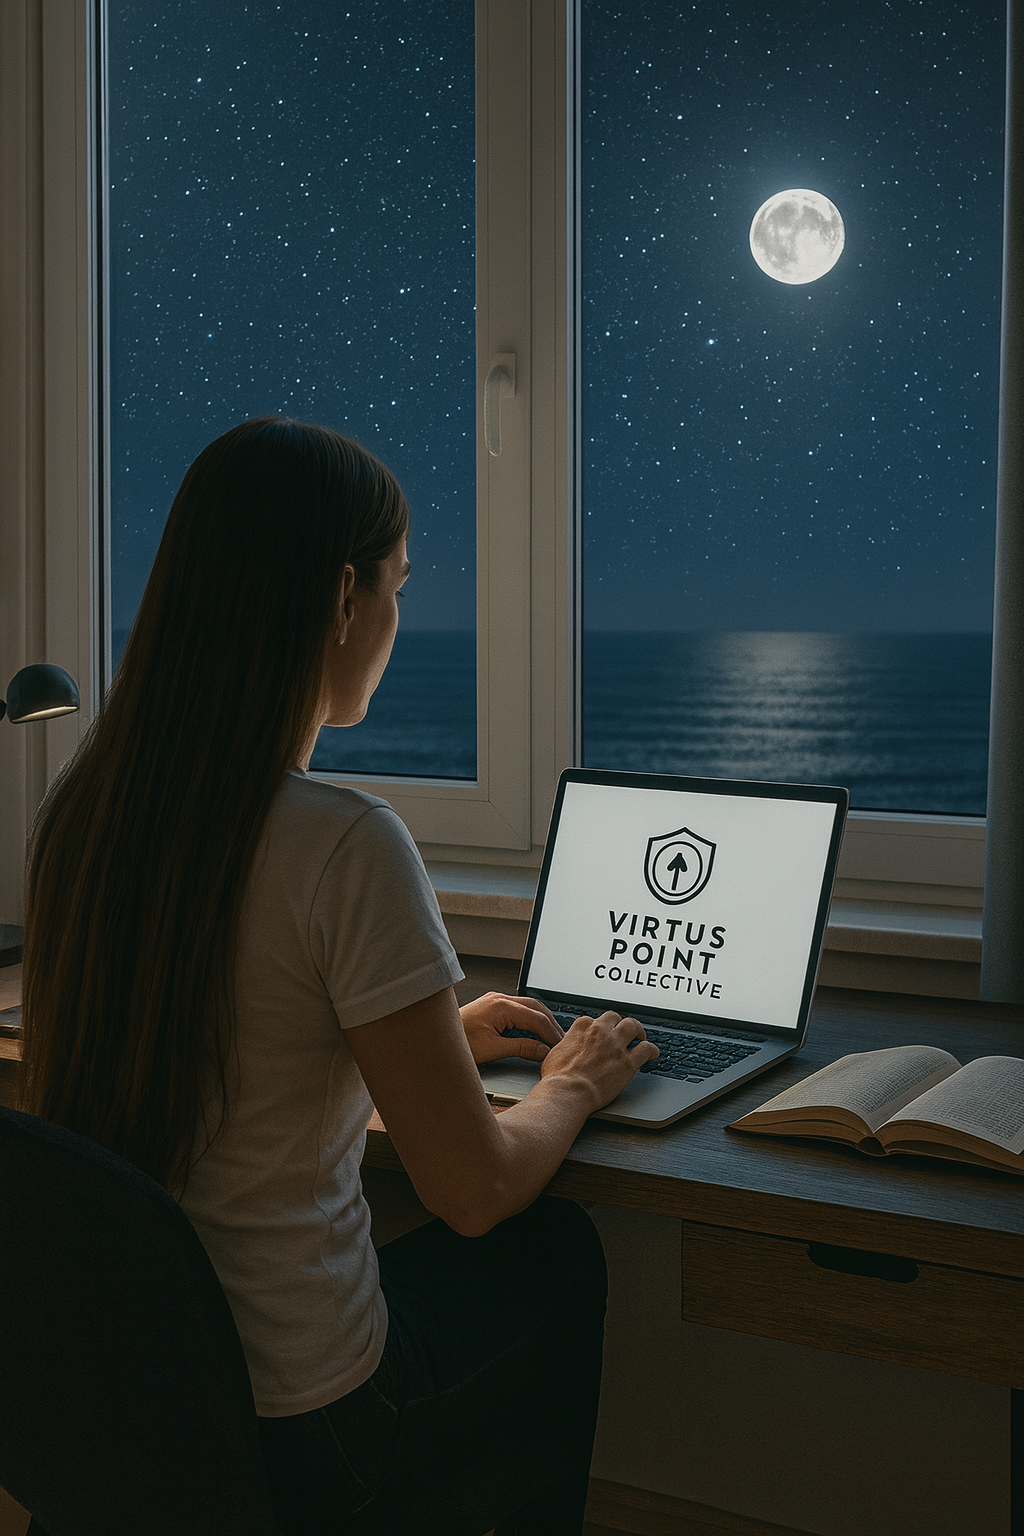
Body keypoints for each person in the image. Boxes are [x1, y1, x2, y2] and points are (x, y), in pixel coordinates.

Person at [19, 416, 658, 1535]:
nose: (400, 622)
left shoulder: (90, 811)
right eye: (398, 587)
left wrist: (422, 1041)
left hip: (136, 1417)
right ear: (341, 599)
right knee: (551, 1251)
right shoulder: (345, 841)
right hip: (314, 1436)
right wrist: (573, 1081)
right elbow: (472, 1192)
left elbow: (233, 1034)